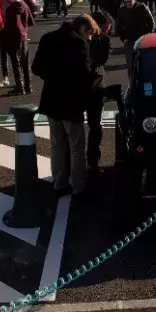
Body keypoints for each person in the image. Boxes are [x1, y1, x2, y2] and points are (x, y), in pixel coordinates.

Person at [32, 14, 97, 197]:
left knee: (57, 144)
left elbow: (36, 68)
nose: (89, 38)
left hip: (51, 99)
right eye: (89, 34)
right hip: (71, 101)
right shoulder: (78, 43)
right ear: (83, 29)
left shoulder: (47, 38)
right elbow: (85, 74)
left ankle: (59, 183)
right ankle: (78, 185)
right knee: (76, 146)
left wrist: (52, 76)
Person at [85, 11, 110, 170]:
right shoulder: (103, 40)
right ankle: (92, 160)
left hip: (89, 85)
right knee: (95, 125)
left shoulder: (101, 40)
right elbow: (101, 61)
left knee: (92, 125)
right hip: (95, 85)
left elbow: (100, 60)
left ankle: (91, 159)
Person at [114, 0, 155, 81]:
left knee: (145, 62)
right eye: (126, 2)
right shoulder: (122, 11)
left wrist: (147, 36)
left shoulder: (142, 8)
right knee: (131, 65)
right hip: (129, 40)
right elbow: (118, 27)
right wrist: (123, 38)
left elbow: (151, 23)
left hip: (142, 39)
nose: (128, 3)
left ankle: (146, 82)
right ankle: (133, 85)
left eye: (130, 1)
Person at [0, 0, 34, 94]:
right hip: (24, 37)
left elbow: (10, 26)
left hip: (14, 38)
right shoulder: (25, 5)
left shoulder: (11, 9)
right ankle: (28, 86)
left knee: (16, 63)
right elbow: (31, 21)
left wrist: (3, 34)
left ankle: (20, 87)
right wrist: (24, 28)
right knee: (25, 63)